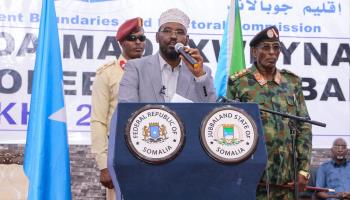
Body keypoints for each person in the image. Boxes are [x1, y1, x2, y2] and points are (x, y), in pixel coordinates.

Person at [228, 25, 312, 199]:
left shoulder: (292, 82)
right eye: (266, 47)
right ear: (253, 52)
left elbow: (304, 126)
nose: (272, 52)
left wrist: (303, 169)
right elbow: (229, 126)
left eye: (276, 47)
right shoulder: (239, 83)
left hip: (287, 179)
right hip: (252, 178)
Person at [90, 17, 146, 200]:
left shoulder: (153, 71)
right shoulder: (107, 74)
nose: (138, 42)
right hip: (119, 152)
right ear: (121, 42)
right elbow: (98, 121)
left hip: (151, 147)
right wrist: (103, 165)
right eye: (132, 38)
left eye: (141, 38)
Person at [118, 8, 216, 103]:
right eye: (167, 31)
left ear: (186, 40)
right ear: (157, 37)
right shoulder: (136, 68)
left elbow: (211, 109)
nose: (173, 36)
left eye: (180, 32)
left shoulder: (202, 72)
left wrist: (199, 76)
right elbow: (127, 109)